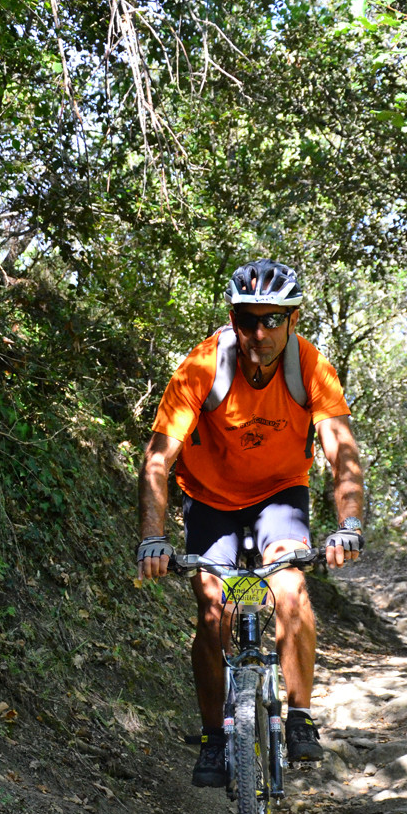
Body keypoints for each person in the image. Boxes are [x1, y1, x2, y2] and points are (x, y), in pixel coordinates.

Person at [136, 259, 364, 787]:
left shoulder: (309, 367)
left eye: (271, 320)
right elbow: (156, 459)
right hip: (210, 496)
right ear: (232, 318)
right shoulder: (202, 367)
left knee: (290, 588)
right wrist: (153, 537)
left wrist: (348, 523)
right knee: (212, 606)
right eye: (246, 320)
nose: (258, 333)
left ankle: (301, 716)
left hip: (278, 493)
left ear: (292, 319)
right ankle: (215, 737)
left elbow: (341, 450)